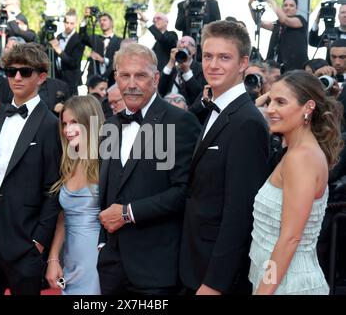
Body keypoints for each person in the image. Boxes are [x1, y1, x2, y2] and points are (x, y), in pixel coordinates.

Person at [97, 43, 200, 295]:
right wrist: (102, 245)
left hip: (156, 268)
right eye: (125, 75)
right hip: (112, 267)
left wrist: (128, 213)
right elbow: (110, 188)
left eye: (140, 75)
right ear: (116, 78)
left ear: (155, 78)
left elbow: (183, 192)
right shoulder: (110, 126)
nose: (132, 83)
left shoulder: (179, 122)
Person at [0, 43, 61, 295]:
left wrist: (39, 242)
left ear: (41, 77)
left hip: (25, 239)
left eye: (25, 72)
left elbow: (53, 189)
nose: (16, 77)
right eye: (11, 71)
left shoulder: (51, 125)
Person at [180, 20, 269, 295]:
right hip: (193, 260)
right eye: (207, 56)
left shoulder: (247, 122)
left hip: (216, 276)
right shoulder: (213, 109)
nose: (213, 65)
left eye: (224, 57)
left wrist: (215, 283)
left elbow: (240, 213)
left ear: (243, 63)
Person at [248, 70, 343, 295]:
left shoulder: (302, 158)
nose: (270, 109)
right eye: (270, 100)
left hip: (288, 285)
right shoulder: (295, 151)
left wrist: (264, 290)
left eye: (281, 102)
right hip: (279, 280)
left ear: (308, 108)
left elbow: (290, 238)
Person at [46, 95, 105, 295]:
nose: (67, 130)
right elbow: (63, 217)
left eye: (74, 122)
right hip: (70, 260)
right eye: (64, 124)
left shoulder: (106, 162)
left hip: (97, 261)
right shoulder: (69, 162)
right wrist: (53, 258)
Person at [248, 0, 308, 71]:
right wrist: (250, 5)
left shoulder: (300, 19)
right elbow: (259, 22)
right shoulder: (278, 23)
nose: (288, 8)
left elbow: (285, 20)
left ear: (296, 8)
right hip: (276, 67)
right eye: (285, 5)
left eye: (291, 5)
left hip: (295, 68)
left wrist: (272, 1)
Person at [159, 36, 206, 107]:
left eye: (190, 44)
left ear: (194, 51)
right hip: (167, 107)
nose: (185, 45)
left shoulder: (200, 68)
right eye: (181, 42)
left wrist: (187, 72)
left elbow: (198, 95)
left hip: (187, 110)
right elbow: (160, 89)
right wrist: (171, 63)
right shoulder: (172, 68)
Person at [79, 10, 122, 87]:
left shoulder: (119, 41)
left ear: (111, 23)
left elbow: (119, 61)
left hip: (112, 80)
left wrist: (102, 60)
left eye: (104, 20)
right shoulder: (95, 38)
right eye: (100, 21)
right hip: (94, 80)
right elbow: (82, 37)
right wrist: (85, 19)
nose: (102, 22)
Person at [49, 9, 85, 96]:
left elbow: (74, 63)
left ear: (76, 24)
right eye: (67, 22)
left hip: (71, 82)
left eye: (71, 23)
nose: (68, 26)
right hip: (56, 79)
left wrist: (58, 50)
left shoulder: (80, 39)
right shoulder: (58, 36)